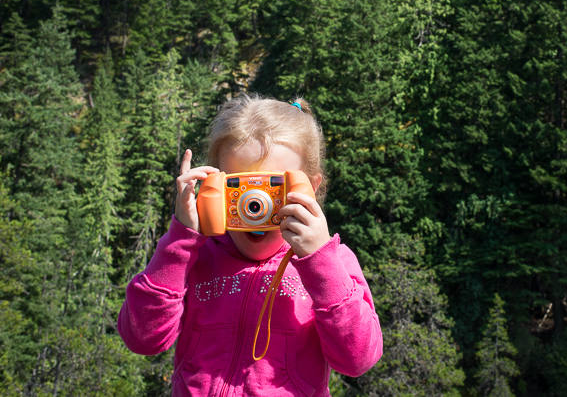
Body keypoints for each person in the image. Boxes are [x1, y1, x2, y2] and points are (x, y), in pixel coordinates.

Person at [118, 95, 383, 396]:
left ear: (310, 188)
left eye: (272, 189)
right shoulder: (194, 255)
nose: (255, 206)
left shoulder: (333, 265)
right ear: (213, 186)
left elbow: (358, 359)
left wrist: (319, 263)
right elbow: (142, 338)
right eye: (239, 189)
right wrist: (180, 241)